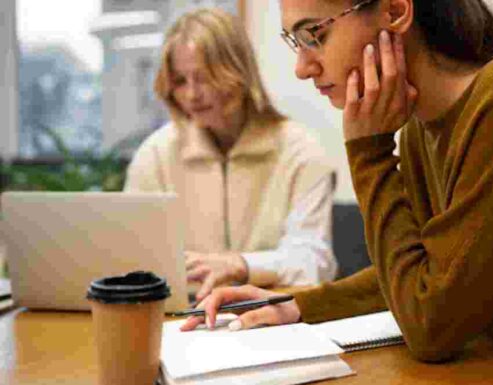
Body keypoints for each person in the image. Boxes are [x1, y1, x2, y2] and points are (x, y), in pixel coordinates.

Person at [181, 1, 493, 383]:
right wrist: (296, 305)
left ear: (396, 11)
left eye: (314, 35)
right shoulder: (424, 128)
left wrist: (368, 153)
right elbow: (432, 272)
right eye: (296, 44)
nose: (303, 67)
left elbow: (431, 324)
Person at [124, 8, 337, 301]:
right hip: (182, 319)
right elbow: (130, 260)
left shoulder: (301, 152)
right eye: (180, 81)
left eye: (204, 77)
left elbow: (314, 264)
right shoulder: (154, 155)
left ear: (239, 72)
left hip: (274, 319)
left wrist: (242, 265)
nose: (191, 95)